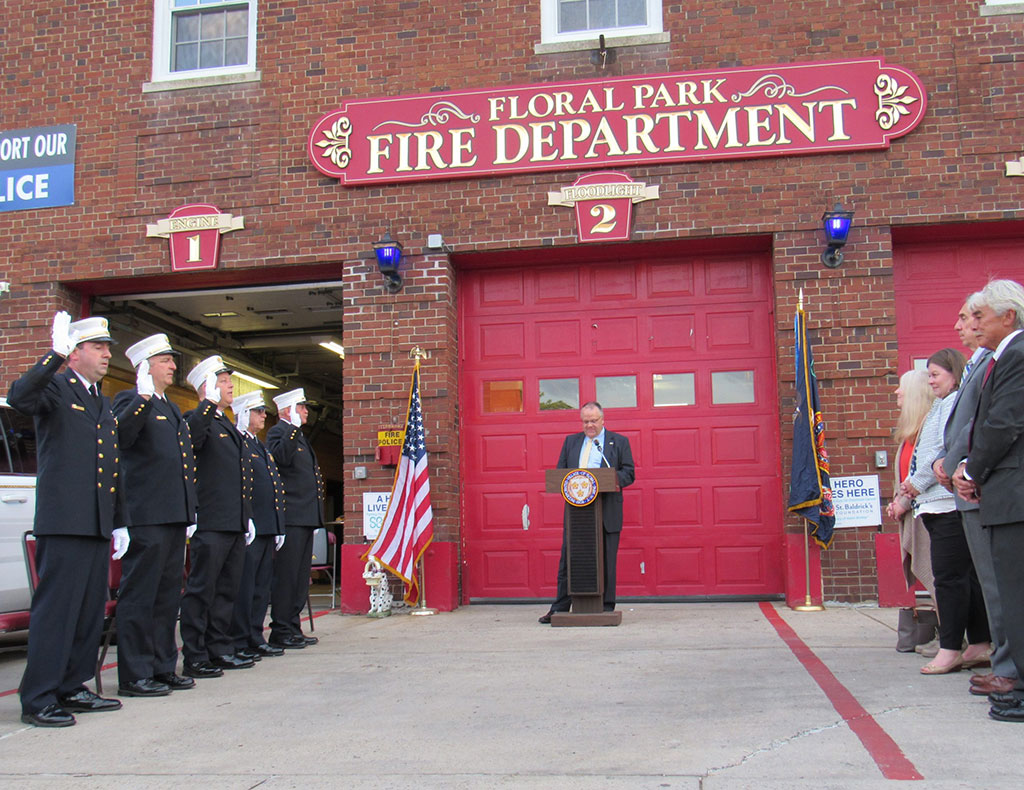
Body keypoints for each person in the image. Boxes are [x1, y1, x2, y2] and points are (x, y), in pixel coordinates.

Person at [8, 313, 124, 727]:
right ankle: (39, 696)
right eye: (99, 347)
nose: (108, 354)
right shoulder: (56, 388)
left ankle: (73, 685)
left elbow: (113, 467)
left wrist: (120, 520)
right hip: (64, 521)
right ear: (75, 353)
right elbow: (19, 398)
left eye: (107, 347)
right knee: (57, 611)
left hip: (95, 523)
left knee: (90, 610)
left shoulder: (100, 400)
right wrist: (51, 356)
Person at [934, 299, 1017, 698]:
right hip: (976, 484)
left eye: (972, 317)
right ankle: (1005, 660)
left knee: (1002, 585)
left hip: (989, 485)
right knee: (991, 582)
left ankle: (1009, 667)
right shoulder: (984, 362)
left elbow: (992, 423)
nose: (965, 325)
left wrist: (963, 467)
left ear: (1009, 316)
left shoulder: (1003, 359)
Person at [952, 279, 1024, 722]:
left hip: (1012, 494)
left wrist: (972, 470)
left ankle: (1016, 683)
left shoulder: (1016, 355)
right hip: (1004, 494)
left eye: (981, 315)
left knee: (1013, 594)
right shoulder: (1005, 356)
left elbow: (1003, 424)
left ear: (1009, 317)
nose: (973, 323)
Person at [111, 334, 198, 697]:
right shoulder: (129, 400)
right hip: (146, 516)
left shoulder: (173, 408)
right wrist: (143, 399)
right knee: (140, 596)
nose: (173, 366)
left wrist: (189, 509)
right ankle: (134, 673)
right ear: (145, 366)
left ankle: (163, 665)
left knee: (166, 596)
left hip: (173, 516)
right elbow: (122, 437)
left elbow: (183, 463)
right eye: (165, 360)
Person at [902, 347, 990, 674]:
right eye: (928, 375)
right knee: (966, 578)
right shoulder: (940, 405)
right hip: (937, 504)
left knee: (949, 580)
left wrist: (913, 484)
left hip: (946, 503)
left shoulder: (954, 403)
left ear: (954, 373)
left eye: (936, 374)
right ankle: (981, 643)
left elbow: (944, 450)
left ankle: (951, 648)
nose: (931, 381)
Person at [179, 356, 256, 677]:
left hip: (232, 521)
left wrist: (246, 516)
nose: (230, 387)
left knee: (226, 590)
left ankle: (219, 647)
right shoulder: (197, 418)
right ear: (207, 386)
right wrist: (207, 405)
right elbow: (190, 442)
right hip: (209, 520)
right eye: (224, 381)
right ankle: (195, 654)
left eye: (228, 381)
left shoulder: (225, 423)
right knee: (202, 590)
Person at [539, 401, 635, 623]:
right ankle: (560, 606)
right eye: (585, 421)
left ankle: (605, 607)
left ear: (603, 420)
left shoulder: (619, 442)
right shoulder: (571, 442)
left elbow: (629, 473)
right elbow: (562, 473)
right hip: (578, 514)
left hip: (607, 511)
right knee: (569, 560)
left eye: (593, 421)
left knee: (607, 560)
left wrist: (607, 480)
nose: (589, 425)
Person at [230, 390, 287, 661]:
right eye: (258, 411)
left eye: (263, 411)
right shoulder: (239, 442)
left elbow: (272, 487)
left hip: (265, 527)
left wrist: (278, 525)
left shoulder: (259, 445)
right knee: (245, 586)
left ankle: (254, 635)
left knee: (261, 587)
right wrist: (246, 517)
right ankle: (240, 639)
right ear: (243, 414)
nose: (264, 415)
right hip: (250, 526)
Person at [268, 388, 325, 649]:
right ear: (288, 410)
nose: (305, 412)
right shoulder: (279, 432)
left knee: (300, 579)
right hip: (291, 517)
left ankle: (293, 626)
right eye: (300, 407)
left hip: (304, 518)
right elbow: (280, 457)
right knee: (287, 577)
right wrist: (290, 427)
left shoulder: (299, 437)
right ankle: (281, 629)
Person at [885, 369, 937, 606]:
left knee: (940, 575)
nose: (897, 391)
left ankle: (956, 637)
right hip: (913, 510)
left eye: (902, 387)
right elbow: (905, 475)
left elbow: (925, 472)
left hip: (931, 513)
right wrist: (897, 501)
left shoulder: (929, 430)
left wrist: (902, 503)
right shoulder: (909, 434)